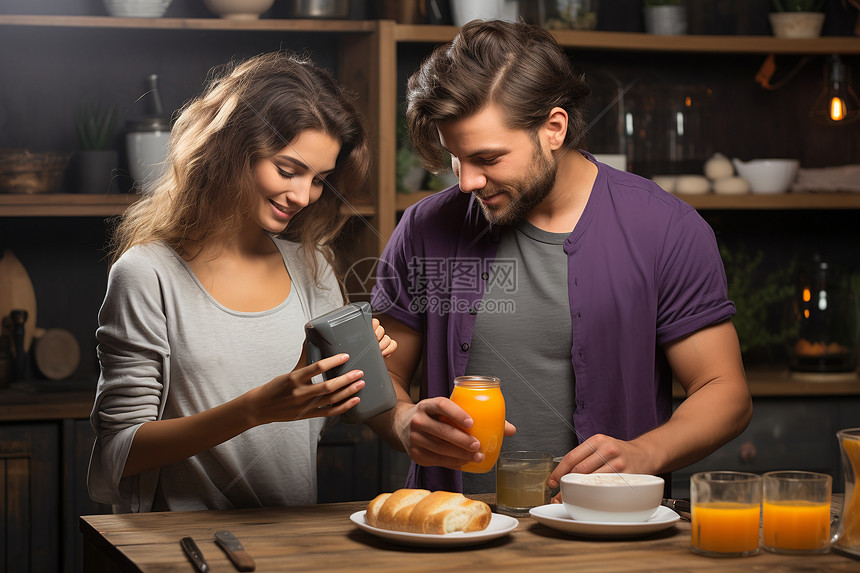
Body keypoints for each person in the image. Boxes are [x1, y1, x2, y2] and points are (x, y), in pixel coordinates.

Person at [367, 20, 752, 495]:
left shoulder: (666, 229)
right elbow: (385, 375)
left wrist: (645, 453)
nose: (466, 182)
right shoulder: (425, 228)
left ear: (554, 128)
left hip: (609, 535)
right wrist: (403, 421)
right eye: (456, 157)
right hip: (454, 532)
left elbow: (725, 391)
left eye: (487, 159)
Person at [87, 51, 395, 513]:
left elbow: (329, 418)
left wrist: (350, 378)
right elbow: (118, 452)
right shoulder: (147, 274)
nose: (303, 196)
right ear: (231, 149)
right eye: (288, 170)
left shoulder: (311, 264)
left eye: (319, 180)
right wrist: (255, 409)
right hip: (179, 547)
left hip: (290, 544)